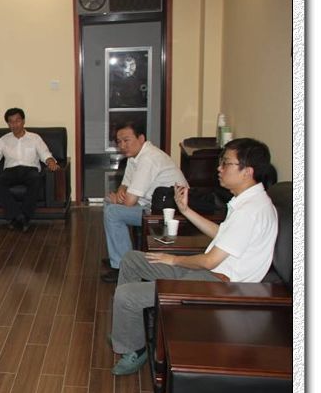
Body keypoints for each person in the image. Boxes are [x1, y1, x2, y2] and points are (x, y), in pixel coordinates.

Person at [109, 138, 278, 376]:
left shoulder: (251, 211)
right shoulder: (247, 202)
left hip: (220, 284)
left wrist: (173, 259)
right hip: (208, 272)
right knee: (132, 260)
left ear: (247, 171)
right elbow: (221, 235)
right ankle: (130, 330)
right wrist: (186, 210)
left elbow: (209, 261)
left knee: (127, 295)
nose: (219, 168)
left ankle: (135, 349)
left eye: (226, 163)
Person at [101, 121, 187, 283]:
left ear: (141, 138)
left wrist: (119, 198)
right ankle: (119, 258)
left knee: (113, 211)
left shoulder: (149, 158)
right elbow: (125, 184)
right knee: (109, 203)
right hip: (150, 203)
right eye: (119, 142)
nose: (122, 145)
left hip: (167, 211)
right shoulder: (134, 156)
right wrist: (120, 193)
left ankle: (124, 267)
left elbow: (129, 202)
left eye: (126, 140)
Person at [0, 108, 59, 232]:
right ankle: (19, 216)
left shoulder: (35, 138)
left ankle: (20, 217)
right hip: (11, 171)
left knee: (36, 180)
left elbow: (45, 154)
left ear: (23, 121)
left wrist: (50, 161)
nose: (14, 124)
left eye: (17, 120)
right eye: (11, 121)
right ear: (8, 124)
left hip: (30, 170)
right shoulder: (4, 140)